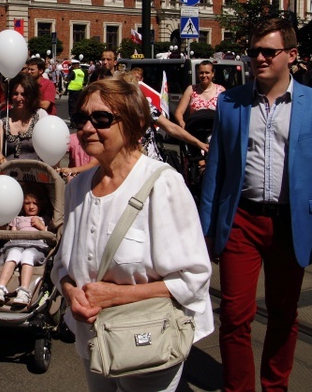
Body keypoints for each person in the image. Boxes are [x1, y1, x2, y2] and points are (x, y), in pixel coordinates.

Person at [200, 18, 312, 391]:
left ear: (292, 55)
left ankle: (275, 386)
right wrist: (205, 231)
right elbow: (215, 172)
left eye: (269, 51)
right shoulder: (231, 104)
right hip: (242, 221)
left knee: (284, 314)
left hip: (291, 224)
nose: (260, 58)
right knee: (235, 314)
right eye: (254, 52)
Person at [51, 77, 213, 391]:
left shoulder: (163, 185)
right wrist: (71, 293)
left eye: (101, 118)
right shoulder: (77, 188)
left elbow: (194, 278)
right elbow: (62, 265)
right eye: (81, 118)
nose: (86, 127)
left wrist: (118, 295)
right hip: (94, 339)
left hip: (148, 340)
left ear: (133, 124)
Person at [0, 185, 51, 309]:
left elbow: (49, 234)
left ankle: (24, 291)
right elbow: (12, 234)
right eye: (27, 203)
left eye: (35, 203)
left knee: (28, 255)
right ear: (21, 204)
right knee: (13, 253)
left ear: (41, 204)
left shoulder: (44, 219)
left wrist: (41, 227)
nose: (31, 206)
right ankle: (0, 288)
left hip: (35, 247)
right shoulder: (17, 218)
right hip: (16, 244)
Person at [0, 74, 47, 164]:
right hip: (9, 171)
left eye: (23, 94)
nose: (19, 98)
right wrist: (6, 165)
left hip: (37, 172)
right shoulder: (1, 117)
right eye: (15, 94)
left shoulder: (41, 115)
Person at [174, 60, 226, 128]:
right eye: (201, 73)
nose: (204, 75)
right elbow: (179, 111)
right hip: (195, 130)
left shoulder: (221, 90)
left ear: (213, 74)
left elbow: (226, 113)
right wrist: (182, 123)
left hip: (215, 130)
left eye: (207, 72)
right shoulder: (191, 89)